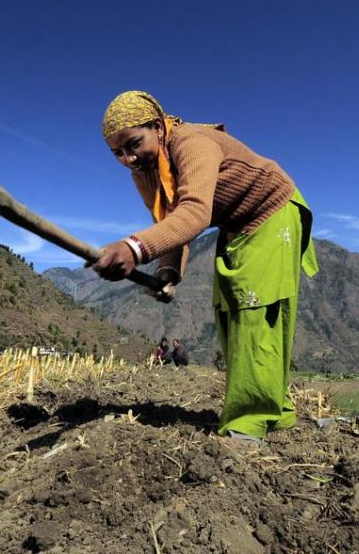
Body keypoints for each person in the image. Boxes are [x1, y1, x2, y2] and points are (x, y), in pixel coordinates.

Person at [91, 91, 319, 444]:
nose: (128, 158)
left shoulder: (191, 142)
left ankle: (249, 420)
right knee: (229, 311)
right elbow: (169, 219)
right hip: (236, 224)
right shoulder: (146, 169)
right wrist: (168, 273)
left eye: (133, 144)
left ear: (157, 127)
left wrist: (135, 248)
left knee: (254, 310)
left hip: (273, 211)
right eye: (117, 153)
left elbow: (194, 212)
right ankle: (278, 412)